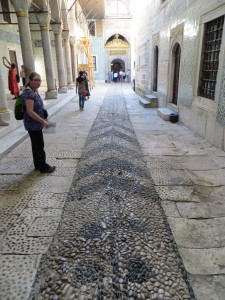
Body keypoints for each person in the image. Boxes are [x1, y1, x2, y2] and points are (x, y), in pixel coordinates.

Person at [22, 72, 56, 174]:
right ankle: (43, 167)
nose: (38, 82)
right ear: (30, 80)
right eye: (35, 80)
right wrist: (42, 121)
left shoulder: (34, 91)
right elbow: (30, 111)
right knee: (39, 145)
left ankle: (38, 165)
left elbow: (38, 108)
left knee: (36, 145)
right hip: (33, 124)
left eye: (39, 80)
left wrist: (44, 118)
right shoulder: (29, 94)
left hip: (36, 123)